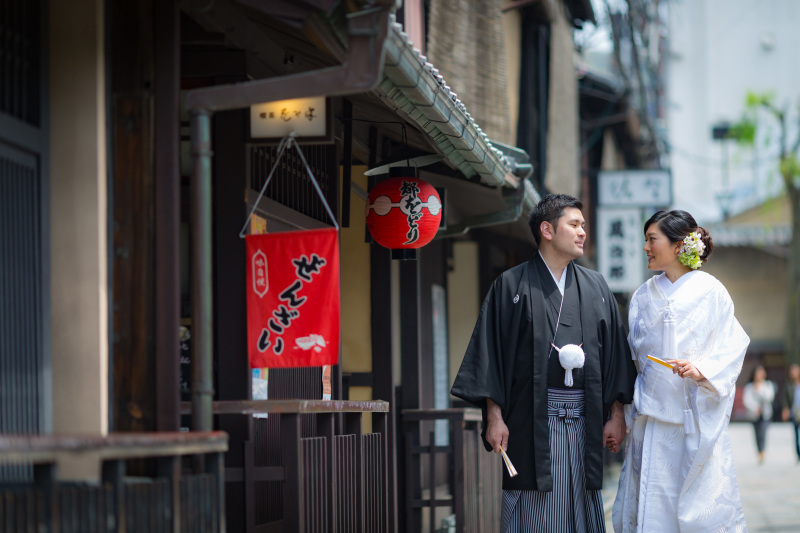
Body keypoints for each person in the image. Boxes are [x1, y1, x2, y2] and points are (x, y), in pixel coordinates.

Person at [451, 194, 637, 533]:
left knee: (582, 504)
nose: (583, 232)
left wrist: (617, 414)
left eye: (584, 226)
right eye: (575, 224)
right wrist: (494, 417)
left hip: (585, 421)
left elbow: (614, 356)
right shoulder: (511, 285)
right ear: (547, 229)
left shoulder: (595, 287)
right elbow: (491, 355)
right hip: (530, 421)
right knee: (534, 509)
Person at [612, 210, 749, 533]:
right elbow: (631, 356)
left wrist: (702, 369)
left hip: (691, 420)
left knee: (695, 510)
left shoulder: (711, 291)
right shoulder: (643, 295)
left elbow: (732, 345)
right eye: (645, 239)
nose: (646, 247)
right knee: (651, 508)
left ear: (678, 246)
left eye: (652, 239)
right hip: (650, 420)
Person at [743, 364, 776, 464]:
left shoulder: (767, 385)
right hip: (754, 415)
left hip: (765, 415)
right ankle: (760, 451)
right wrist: (755, 408)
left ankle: (762, 451)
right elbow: (746, 401)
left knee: (763, 433)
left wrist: (759, 388)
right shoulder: (749, 386)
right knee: (757, 434)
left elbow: (770, 397)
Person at [782, 363, 800, 463]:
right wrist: (785, 410)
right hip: (794, 413)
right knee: (796, 435)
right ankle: (798, 454)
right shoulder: (789, 386)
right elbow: (785, 400)